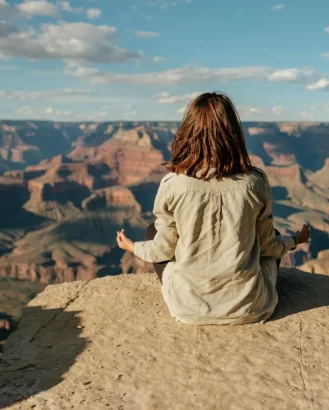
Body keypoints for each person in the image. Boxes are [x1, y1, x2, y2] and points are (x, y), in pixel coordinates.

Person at [116, 92, 311, 325]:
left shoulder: (173, 184)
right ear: (233, 134)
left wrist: (132, 247)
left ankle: (192, 293)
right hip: (251, 307)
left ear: (188, 132)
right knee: (275, 235)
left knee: (152, 232)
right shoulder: (254, 181)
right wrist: (294, 240)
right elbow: (269, 246)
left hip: (188, 309)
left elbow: (163, 251)